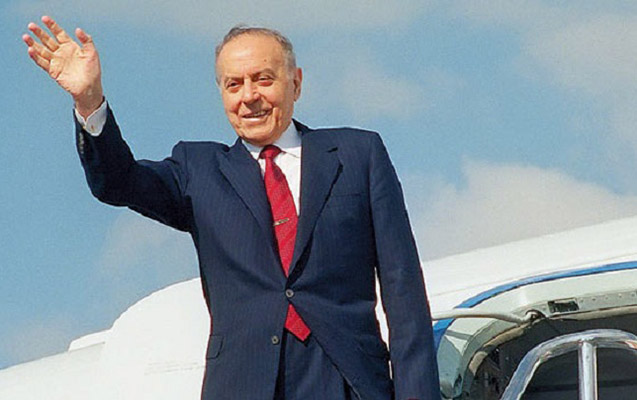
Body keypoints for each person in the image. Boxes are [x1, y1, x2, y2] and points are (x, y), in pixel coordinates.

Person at [23, 16, 440, 400]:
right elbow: (118, 182)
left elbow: (404, 294)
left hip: (348, 382)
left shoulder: (358, 155)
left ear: (295, 83)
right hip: (244, 385)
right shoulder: (198, 169)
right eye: (234, 84)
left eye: (263, 79)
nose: (249, 97)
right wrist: (89, 101)